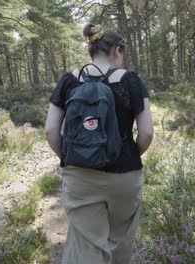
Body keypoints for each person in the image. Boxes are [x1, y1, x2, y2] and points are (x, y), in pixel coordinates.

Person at [44, 23, 153, 264]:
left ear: (91, 50)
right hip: (124, 176)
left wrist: (70, 158)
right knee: (120, 241)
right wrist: (129, 155)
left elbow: (51, 130)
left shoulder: (69, 81)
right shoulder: (131, 81)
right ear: (117, 51)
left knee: (86, 246)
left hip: (80, 176)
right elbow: (146, 134)